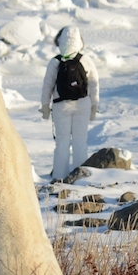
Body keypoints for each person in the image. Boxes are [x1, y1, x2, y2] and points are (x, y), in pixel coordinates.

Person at [39, 25, 101, 181]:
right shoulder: (85, 60)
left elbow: (48, 85)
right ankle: (80, 176)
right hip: (82, 105)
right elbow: (94, 83)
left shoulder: (55, 62)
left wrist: (45, 106)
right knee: (80, 141)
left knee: (62, 143)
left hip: (61, 107)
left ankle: (60, 176)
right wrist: (94, 105)